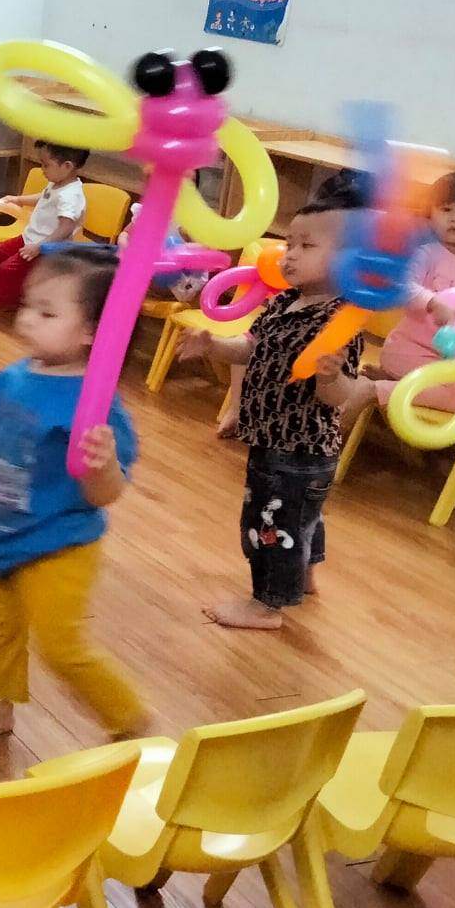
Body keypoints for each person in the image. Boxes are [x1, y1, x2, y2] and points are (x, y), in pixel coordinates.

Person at [0, 247, 147, 744]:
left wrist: (103, 465)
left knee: (61, 646)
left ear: (92, 332)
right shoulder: (11, 378)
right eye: (30, 304)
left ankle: (130, 719)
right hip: (2, 535)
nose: (28, 317)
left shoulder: (95, 407)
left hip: (60, 543)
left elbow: (106, 495)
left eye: (48, 312)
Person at [179, 181, 367, 630]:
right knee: (301, 516)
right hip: (271, 439)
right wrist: (212, 345)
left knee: (271, 524)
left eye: (307, 246)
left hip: (299, 449)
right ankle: (304, 576)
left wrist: (331, 377)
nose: (290, 254)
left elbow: (338, 397)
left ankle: (266, 605)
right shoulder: (285, 300)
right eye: (290, 243)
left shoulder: (341, 322)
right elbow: (250, 348)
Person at [323, 170, 455, 419]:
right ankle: (375, 390)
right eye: (446, 209)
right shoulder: (427, 253)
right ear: (431, 215)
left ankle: (388, 384)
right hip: (410, 353)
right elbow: (400, 285)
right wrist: (432, 302)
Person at [0, 142, 89, 324]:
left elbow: (66, 227)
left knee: (7, 271)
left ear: (67, 166)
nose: (42, 169)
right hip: (29, 238)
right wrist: (19, 199)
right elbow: (43, 197)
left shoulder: (71, 195)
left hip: (47, 249)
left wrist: (40, 246)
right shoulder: (57, 184)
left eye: (46, 165)